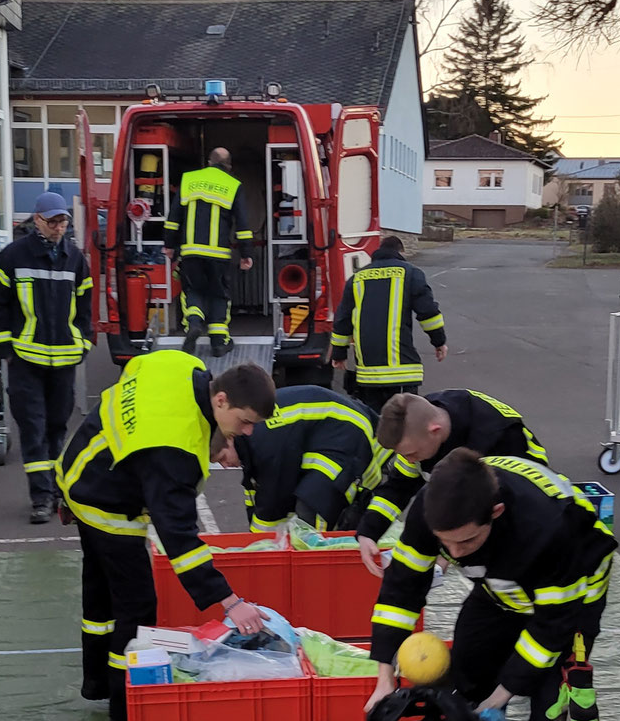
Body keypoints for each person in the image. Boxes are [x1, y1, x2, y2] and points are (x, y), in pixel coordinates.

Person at [366, 447, 616, 721]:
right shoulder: (435, 509)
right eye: (446, 544)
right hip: (499, 594)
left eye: (466, 541)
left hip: (570, 605)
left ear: (496, 512)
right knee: (464, 679)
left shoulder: (549, 530)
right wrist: (384, 679)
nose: (456, 554)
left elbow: (549, 630)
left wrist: (500, 697)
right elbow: (400, 590)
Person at [56, 352, 276, 721]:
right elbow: (180, 539)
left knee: (101, 595)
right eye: (244, 422)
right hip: (108, 503)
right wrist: (229, 602)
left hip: (82, 467)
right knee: (136, 611)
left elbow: (131, 378)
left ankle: (97, 683)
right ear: (221, 400)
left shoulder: (179, 365)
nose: (246, 434)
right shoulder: (174, 449)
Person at [354, 389, 548, 574]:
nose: (410, 460)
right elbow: (398, 487)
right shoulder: (418, 424)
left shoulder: (495, 437)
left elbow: (503, 509)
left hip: (525, 503)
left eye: (412, 454)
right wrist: (368, 532)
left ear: (435, 431)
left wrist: (449, 553)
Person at [0, 193, 93, 523]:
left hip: (63, 361)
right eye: (53, 222)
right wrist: (5, 349)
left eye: (63, 222)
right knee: (33, 429)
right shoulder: (12, 257)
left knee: (58, 429)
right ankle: (42, 498)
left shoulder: (74, 259)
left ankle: (58, 489)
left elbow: (85, 308)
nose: (59, 228)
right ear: (37, 221)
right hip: (26, 362)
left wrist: (84, 343)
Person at [222, 385, 382, 531]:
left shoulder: (263, 444)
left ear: (229, 439)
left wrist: (261, 548)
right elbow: (257, 497)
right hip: (329, 430)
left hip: (346, 434)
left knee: (313, 505)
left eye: (222, 457)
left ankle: (317, 557)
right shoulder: (249, 440)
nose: (224, 466)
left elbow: (273, 500)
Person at [330, 235, 447, 411]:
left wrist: (339, 353)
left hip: (368, 375)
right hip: (402, 372)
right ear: (401, 251)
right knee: (404, 423)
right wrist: (439, 342)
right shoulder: (411, 273)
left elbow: (342, 320)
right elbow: (428, 313)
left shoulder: (357, 278)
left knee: (375, 424)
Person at [164, 147, 254, 355]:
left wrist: (169, 246)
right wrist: (246, 254)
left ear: (209, 162)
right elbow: (242, 223)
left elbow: (173, 217)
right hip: (219, 255)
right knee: (219, 294)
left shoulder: (188, 180)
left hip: (191, 253)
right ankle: (219, 342)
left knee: (193, 290)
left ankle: (194, 324)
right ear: (229, 166)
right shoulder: (233, 185)